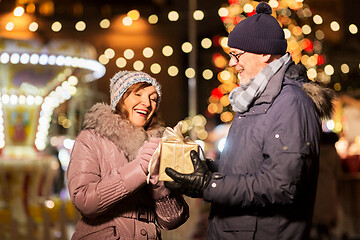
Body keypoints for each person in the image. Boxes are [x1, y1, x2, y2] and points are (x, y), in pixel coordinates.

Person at [164, 2, 336, 240]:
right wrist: (207, 170)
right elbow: (248, 169)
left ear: (265, 53)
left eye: (237, 55)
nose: (232, 63)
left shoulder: (290, 104)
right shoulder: (255, 100)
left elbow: (281, 185)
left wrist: (208, 185)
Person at [67, 71, 189, 240]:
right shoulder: (91, 139)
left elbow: (174, 220)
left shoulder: (159, 146)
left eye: (153, 98)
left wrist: (158, 183)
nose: (146, 103)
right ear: (119, 98)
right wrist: (139, 168)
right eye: (137, 94)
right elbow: (84, 201)